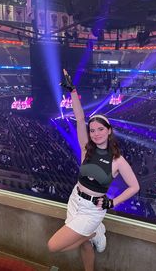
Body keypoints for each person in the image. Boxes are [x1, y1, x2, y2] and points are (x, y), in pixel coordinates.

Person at [47, 69, 140, 271]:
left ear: (109, 131)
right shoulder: (85, 148)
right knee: (84, 246)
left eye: (100, 129)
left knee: (53, 246)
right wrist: (73, 92)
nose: (96, 133)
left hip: (93, 210)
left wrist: (113, 202)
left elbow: (134, 186)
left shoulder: (118, 160)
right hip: (75, 199)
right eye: (92, 130)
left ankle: (94, 232)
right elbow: (80, 119)